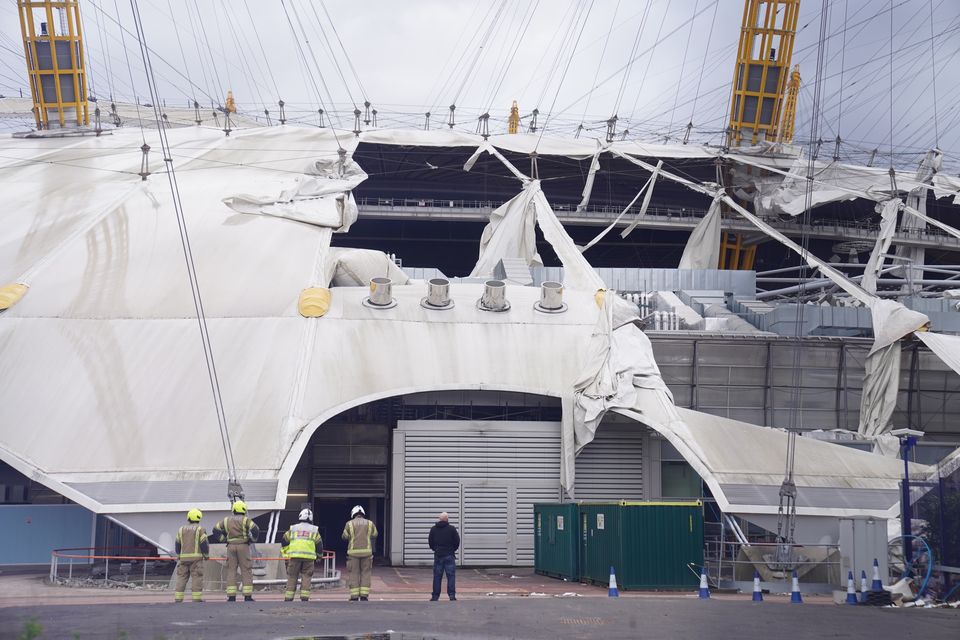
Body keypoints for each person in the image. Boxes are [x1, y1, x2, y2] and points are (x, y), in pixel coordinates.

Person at [212, 500, 260, 602]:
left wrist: (223, 540)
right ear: (244, 509)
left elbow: (215, 530)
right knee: (246, 570)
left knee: (231, 570)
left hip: (230, 546)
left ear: (233, 509)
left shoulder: (226, 520)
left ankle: (231, 596)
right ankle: (247, 596)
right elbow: (255, 529)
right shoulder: (246, 520)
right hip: (243, 546)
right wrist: (252, 540)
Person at [282, 508, 323, 602]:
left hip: (294, 557)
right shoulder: (314, 530)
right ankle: (304, 597)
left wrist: (286, 553)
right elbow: (319, 544)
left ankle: (289, 598)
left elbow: (284, 540)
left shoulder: (293, 528)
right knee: (307, 576)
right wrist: (319, 556)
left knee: (292, 576)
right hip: (309, 559)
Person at [341, 505, 378, 601]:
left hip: (353, 553)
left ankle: (354, 596)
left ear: (353, 513)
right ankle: (364, 596)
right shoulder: (370, 523)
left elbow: (344, 536)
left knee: (354, 573)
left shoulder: (349, 524)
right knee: (366, 573)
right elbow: (375, 534)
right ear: (363, 513)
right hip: (367, 553)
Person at [174, 508, 209, 603]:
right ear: (199, 517)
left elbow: (177, 543)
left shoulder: (181, 529)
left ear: (188, 518)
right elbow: (204, 544)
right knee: (197, 577)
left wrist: (178, 554)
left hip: (183, 559)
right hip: (196, 559)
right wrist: (206, 555)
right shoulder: (200, 529)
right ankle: (196, 598)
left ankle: (178, 598)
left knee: (181, 577)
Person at [428, 512, 460, 601]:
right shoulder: (452, 529)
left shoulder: (434, 529)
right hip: (449, 555)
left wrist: (435, 549)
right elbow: (457, 541)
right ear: (447, 519)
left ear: (439, 519)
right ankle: (451, 595)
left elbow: (430, 542)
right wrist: (452, 550)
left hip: (438, 555)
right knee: (451, 576)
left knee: (437, 576)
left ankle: (435, 596)